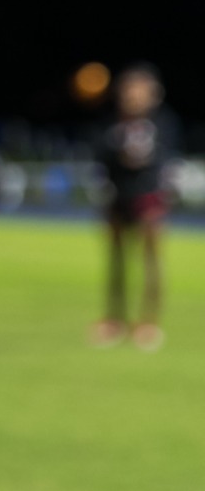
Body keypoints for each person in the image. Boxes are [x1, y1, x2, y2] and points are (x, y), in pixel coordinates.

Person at [92, 64, 177, 351]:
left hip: (149, 197)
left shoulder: (163, 123)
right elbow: (102, 159)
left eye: (141, 91)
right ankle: (115, 319)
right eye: (130, 90)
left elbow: (165, 161)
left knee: (151, 261)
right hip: (118, 196)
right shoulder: (112, 124)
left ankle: (149, 321)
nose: (134, 96)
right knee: (117, 261)